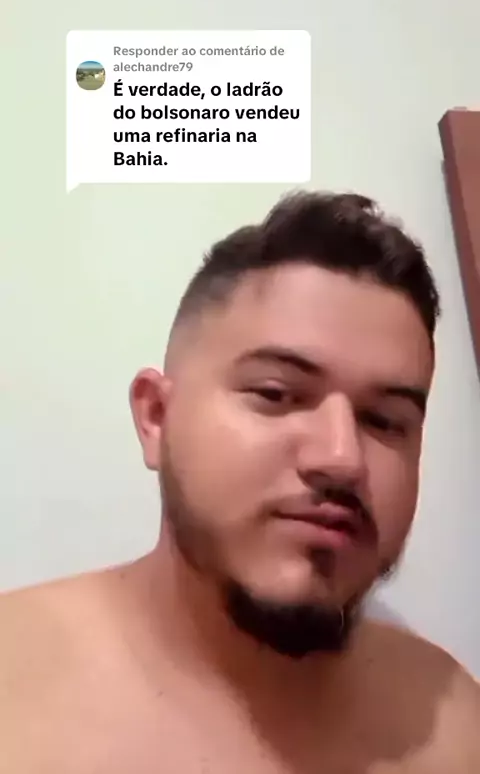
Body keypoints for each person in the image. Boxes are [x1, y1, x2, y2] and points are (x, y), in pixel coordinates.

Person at [1, 191, 479, 773]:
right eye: (276, 394)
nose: (341, 458)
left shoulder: (454, 724)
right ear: (156, 417)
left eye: (384, 421)